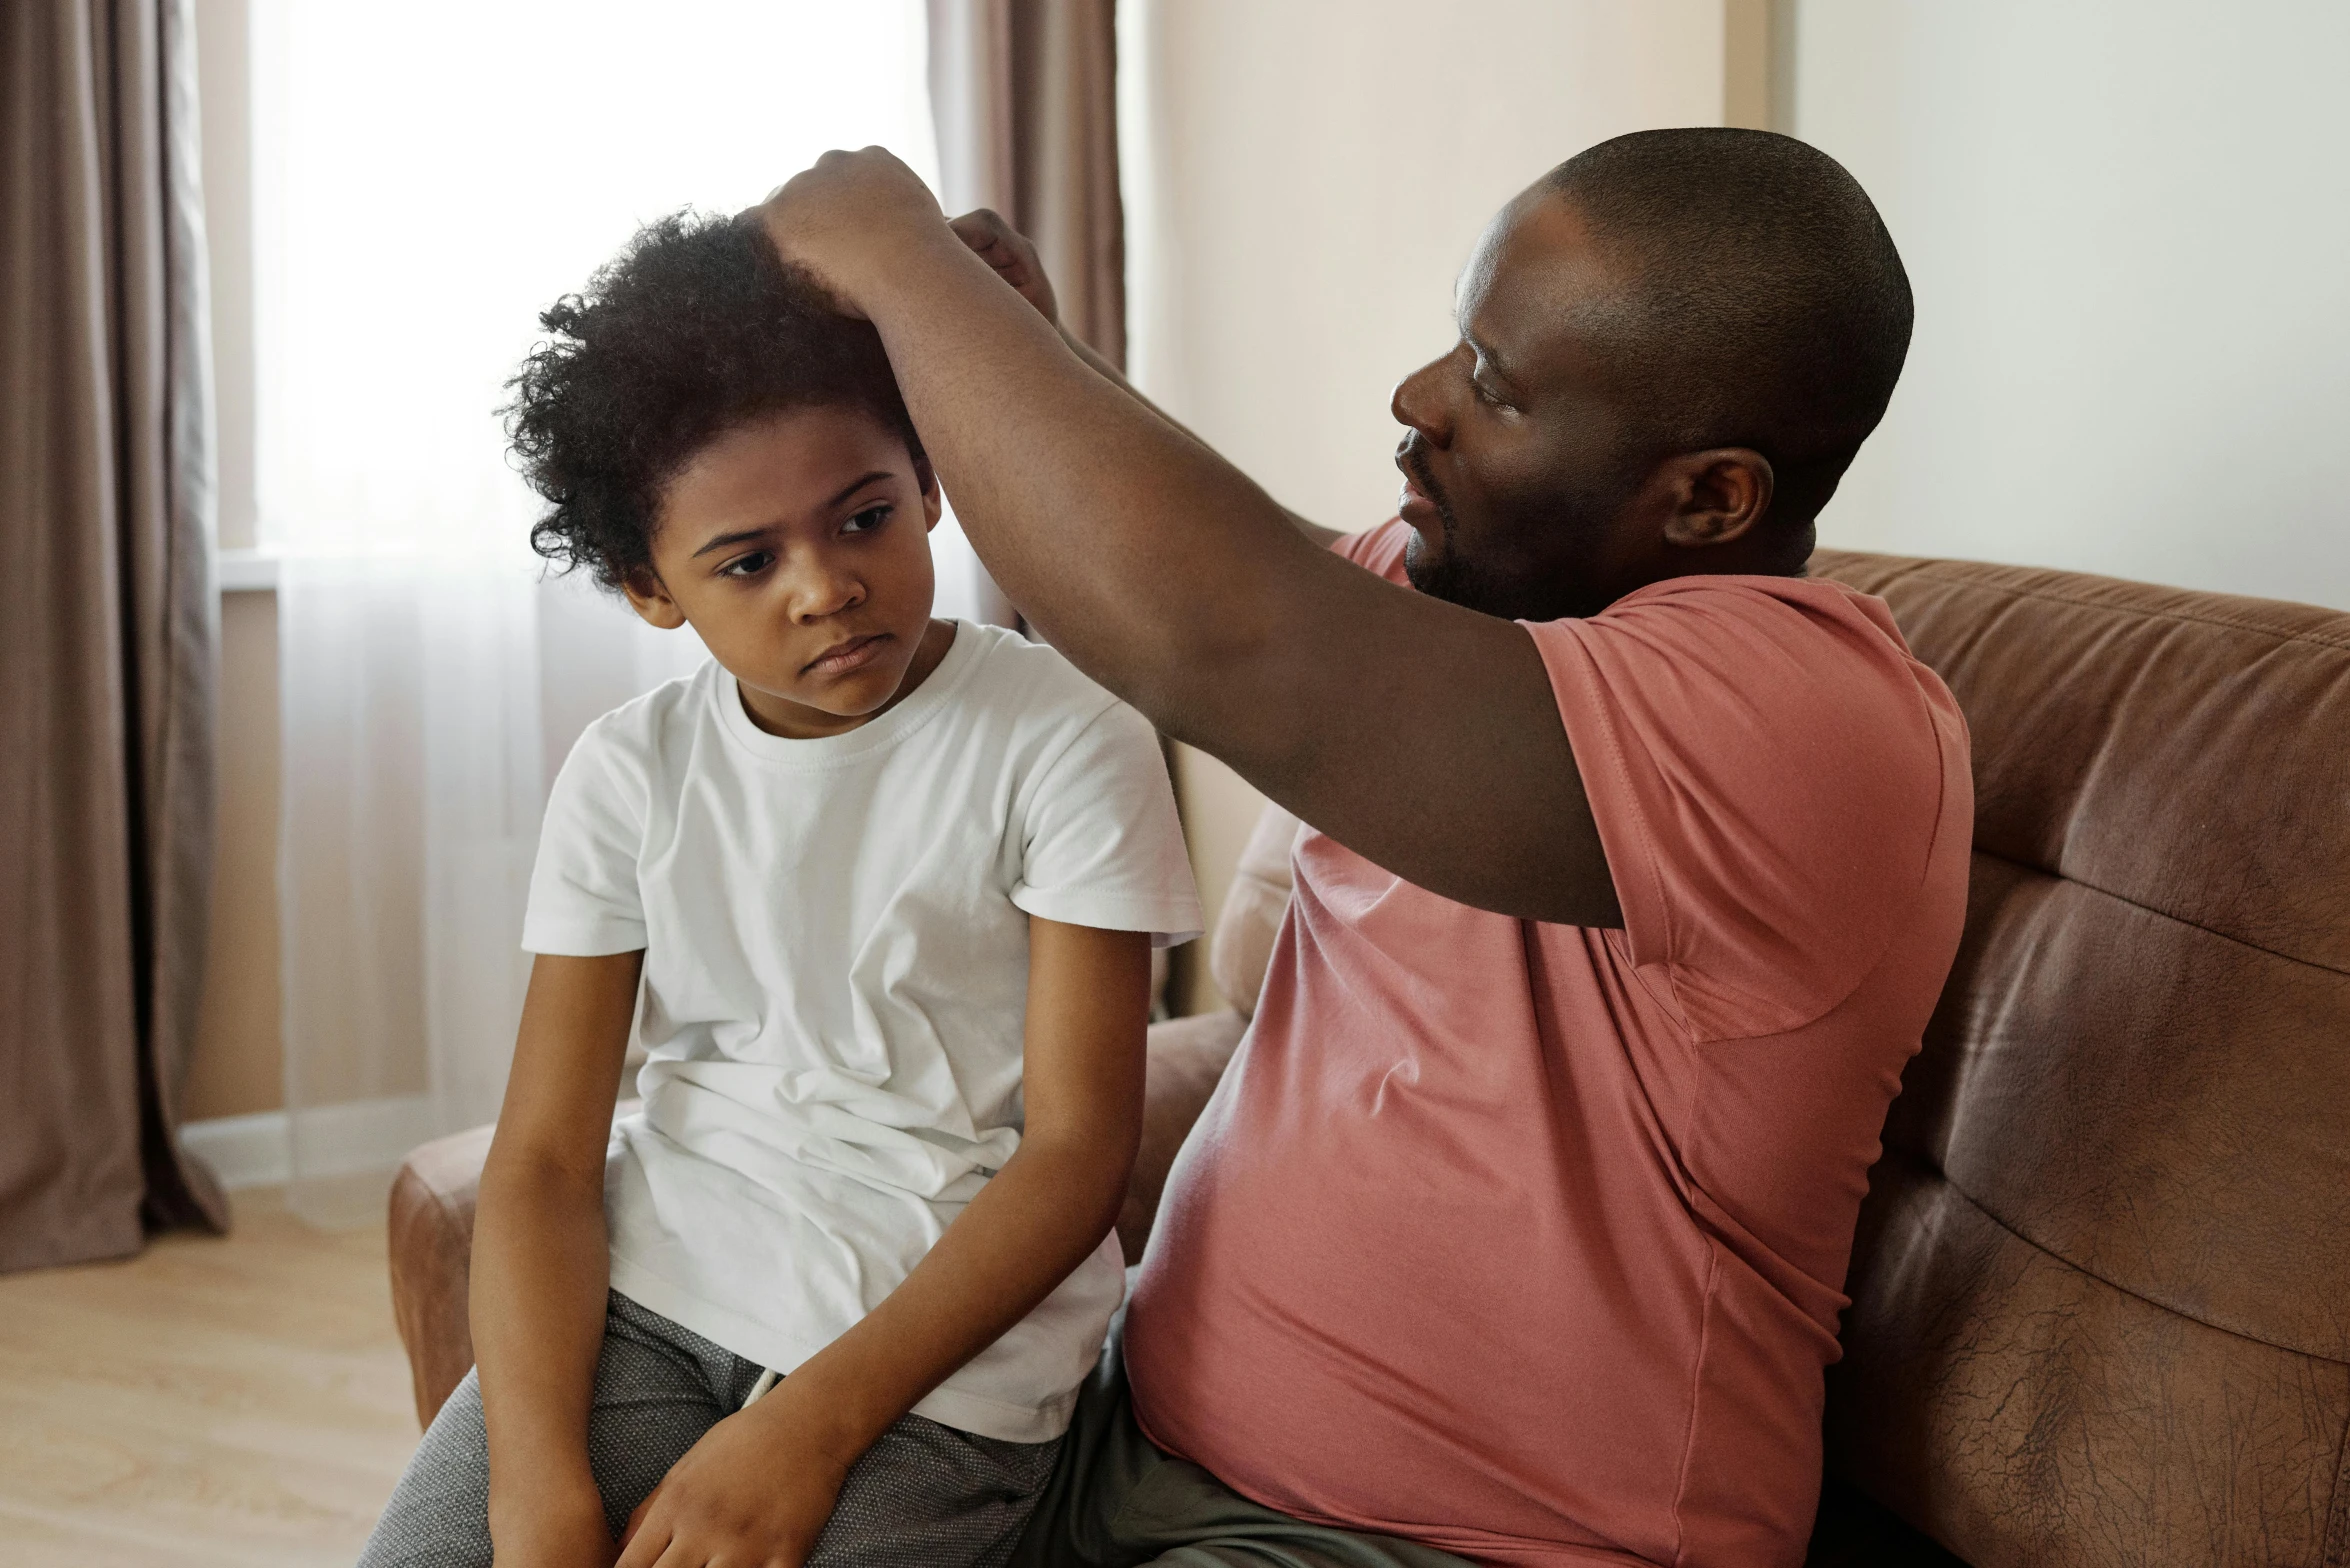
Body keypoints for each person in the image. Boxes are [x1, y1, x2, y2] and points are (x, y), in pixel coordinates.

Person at [752, 128, 1975, 1568]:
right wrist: (1041, 349)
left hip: (1481, 1543)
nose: (1416, 401)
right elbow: (1232, 559)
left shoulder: (1805, 716)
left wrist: (894, 254)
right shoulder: (1486, 598)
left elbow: (1218, 637)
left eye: (1493, 387)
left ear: (1706, 499)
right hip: (1123, 1432)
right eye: (1458, 349)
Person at [355, 212, 1201, 1568]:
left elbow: (1072, 1160)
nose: (826, 588)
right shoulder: (630, 773)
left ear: (929, 481)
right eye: (746, 562)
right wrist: (537, 1492)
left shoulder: (1069, 739)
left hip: (942, 1375)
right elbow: (548, 1162)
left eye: (863, 516)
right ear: (649, 589)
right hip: (652, 1304)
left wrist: (807, 1429)